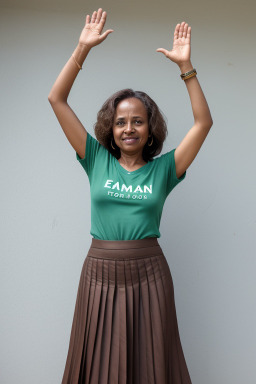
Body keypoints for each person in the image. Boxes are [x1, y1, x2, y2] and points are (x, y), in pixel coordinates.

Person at [48, 8, 213, 384]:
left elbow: (204, 123)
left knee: (151, 364)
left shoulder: (165, 170)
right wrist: (81, 49)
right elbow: (57, 99)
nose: (128, 128)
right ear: (111, 127)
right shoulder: (95, 159)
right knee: (97, 365)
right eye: (121, 121)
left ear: (149, 129)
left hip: (150, 273)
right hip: (99, 273)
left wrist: (186, 68)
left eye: (137, 120)